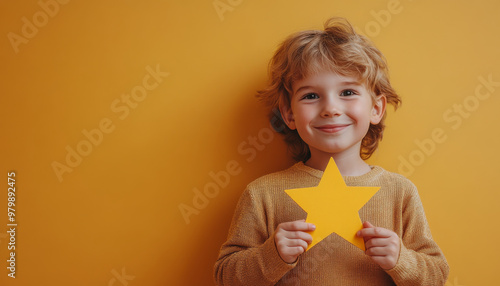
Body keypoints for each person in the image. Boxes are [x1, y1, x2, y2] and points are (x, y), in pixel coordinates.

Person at [214, 17, 449, 285]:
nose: (330, 108)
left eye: (348, 92)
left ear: (376, 108)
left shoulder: (400, 192)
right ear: (289, 114)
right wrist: (272, 255)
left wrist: (401, 260)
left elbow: (437, 275)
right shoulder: (262, 194)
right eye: (311, 96)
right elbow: (226, 277)